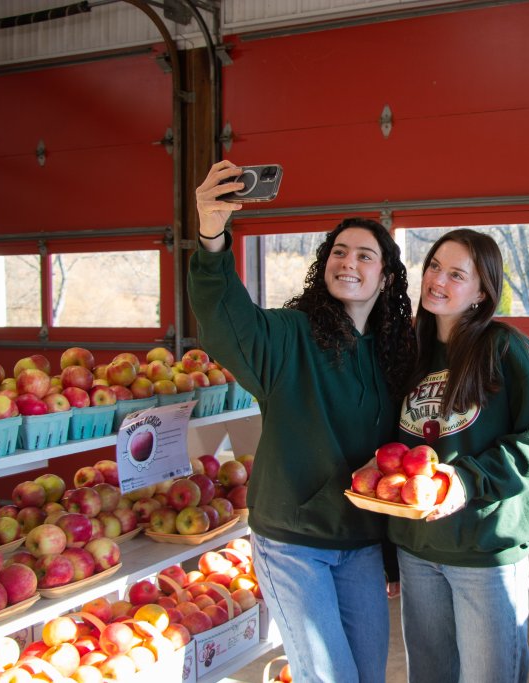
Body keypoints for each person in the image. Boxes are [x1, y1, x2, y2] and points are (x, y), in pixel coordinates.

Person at [187, 160, 415, 683]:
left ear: (386, 275)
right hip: (293, 541)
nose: (348, 263)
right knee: (330, 676)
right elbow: (226, 320)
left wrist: (391, 552)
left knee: (367, 673)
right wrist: (212, 234)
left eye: (365, 255)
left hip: (359, 542)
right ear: (323, 263)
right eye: (338, 252)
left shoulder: (396, 355)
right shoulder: (288, 338)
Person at [388, 229, 529, 683]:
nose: (438, 280)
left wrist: (466, 480)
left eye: (457, 274)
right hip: (418, 549)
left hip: (484, 549)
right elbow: (392, 451)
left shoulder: (504, 348)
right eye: (434, 267)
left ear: (483, 292)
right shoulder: (410, 352)